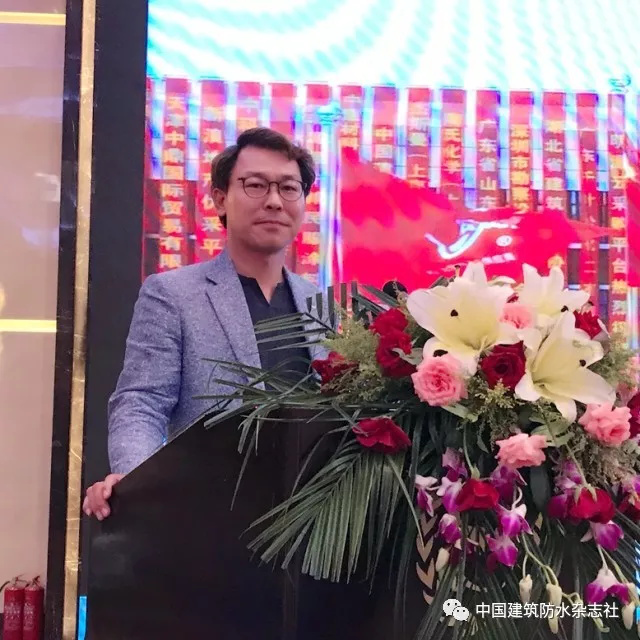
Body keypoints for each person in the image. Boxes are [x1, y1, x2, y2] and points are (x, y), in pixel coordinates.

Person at [83, 127, 327, 520]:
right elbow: (142, 402)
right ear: (220, 199)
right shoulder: (172, 294)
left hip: (310, 522)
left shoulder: (319, 303)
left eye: (288, 188)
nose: (274, 201)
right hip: (207, 518)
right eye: (255, 185)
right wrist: (136, 480)